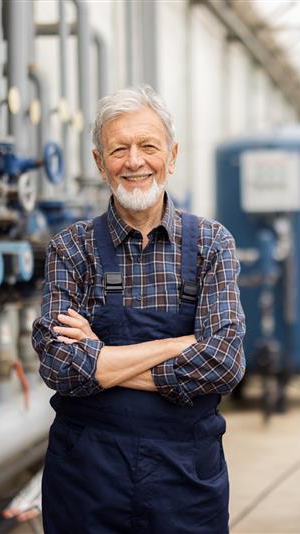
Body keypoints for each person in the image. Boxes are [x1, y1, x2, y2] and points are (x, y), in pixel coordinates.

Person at [32, 86, 246, 533]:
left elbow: (224, 364)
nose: (134, 162)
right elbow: (60, 365)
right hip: (87, 477)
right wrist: (179, 344)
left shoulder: (211, 244)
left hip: (186, 476)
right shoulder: (71, 249)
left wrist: (103, 360)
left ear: (172, 155)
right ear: (98, 162)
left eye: (148, 146)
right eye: (118, 149)